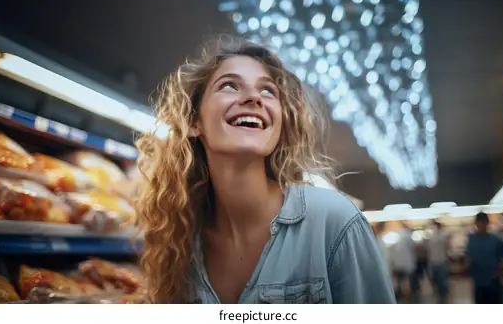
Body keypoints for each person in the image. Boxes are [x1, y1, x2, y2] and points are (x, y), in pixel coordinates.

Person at [134, 36, 396, 304]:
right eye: (229, 85)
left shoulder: (334, 223)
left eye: (267, 90)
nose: (253, 98)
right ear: (193, 121)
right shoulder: (180, 245)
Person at [466, 212, 503, 304]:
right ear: (475, 223)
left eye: (484, 223)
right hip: (478, 282)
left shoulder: (496, 240)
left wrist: (500, 270)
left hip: (493, 282)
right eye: (479, 223)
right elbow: (469, 256)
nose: (481, 225)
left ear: (488, 223)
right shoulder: (471, 240)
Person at [390, 222, 416, 302]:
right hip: (407, 265)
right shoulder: (408, 237)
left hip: (398, 264)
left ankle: (399, 297)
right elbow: (413, 249)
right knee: (406, 283)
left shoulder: (397, 236)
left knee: (398, 283)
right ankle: (406, 299)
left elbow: (394, 251)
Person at [427, 221, 451, 303]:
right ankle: (441, 295)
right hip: (435, 261)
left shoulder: (442, 236)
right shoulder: (432, 237)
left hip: (441, 261)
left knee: (441, 280)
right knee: (437, 280)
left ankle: (443, 296)